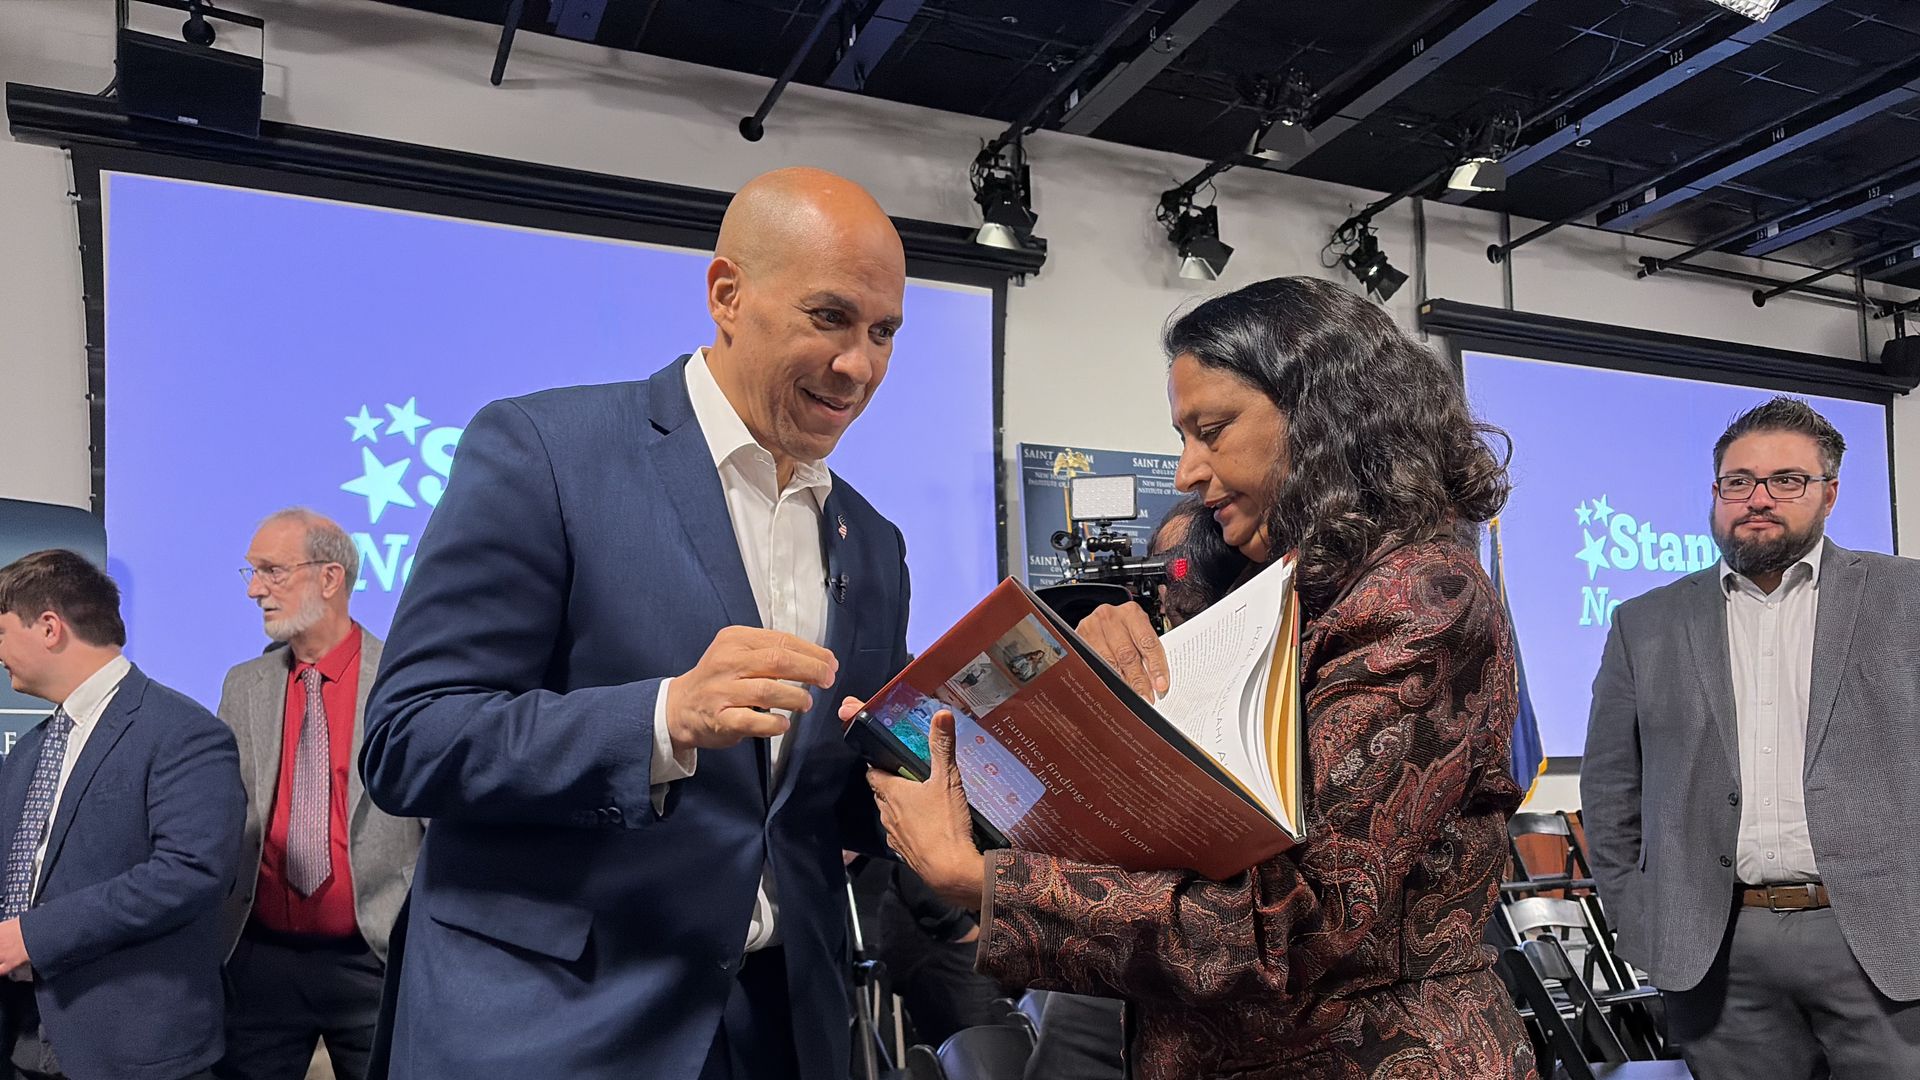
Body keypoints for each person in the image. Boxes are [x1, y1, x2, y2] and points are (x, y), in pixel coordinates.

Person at [859, 276, 1537, 1079]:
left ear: (1325, 416)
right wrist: (1101, 684)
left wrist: (981, 882)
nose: (1185, 471)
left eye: (1212, 431)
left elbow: (1293, 929)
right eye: (1183, 435)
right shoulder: (1255, 589)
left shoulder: (1422, 598)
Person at [360, 167, 913, 1080]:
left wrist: (997, 743)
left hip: (783, 1029)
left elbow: (825, 801)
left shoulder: (873, 541)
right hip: (557, 1031)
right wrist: (659, 720)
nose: (859, 365)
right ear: (726, 295)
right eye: (830, 317)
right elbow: (408, 739)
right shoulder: (543, 451)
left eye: (883, 331)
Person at [1582, 397, 1920, 1079]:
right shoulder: (1644, 625)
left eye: (1786, 480)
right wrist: (1639, 915)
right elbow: (1612, 787)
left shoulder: (1906, 600)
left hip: (1885, 941)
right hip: (1719, 953)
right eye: (1739, 481)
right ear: (1716, 493)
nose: (1758, 499)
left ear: (1828, 494)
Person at [0, 549, 246, 1080]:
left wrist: (33, 936)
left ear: (49, 627)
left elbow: (190, 872)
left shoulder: (182, 732)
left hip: (134, 1053)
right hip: (22, 1044)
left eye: (1, 633)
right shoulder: (28, 753)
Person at [214, 510, 424, 1080]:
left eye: (273, 571)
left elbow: (437, 825)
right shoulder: (243, 684)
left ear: (330, 579)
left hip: (375, 956)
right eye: (253, 572)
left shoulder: (403, 683)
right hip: (258, 959)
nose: (256, 588)